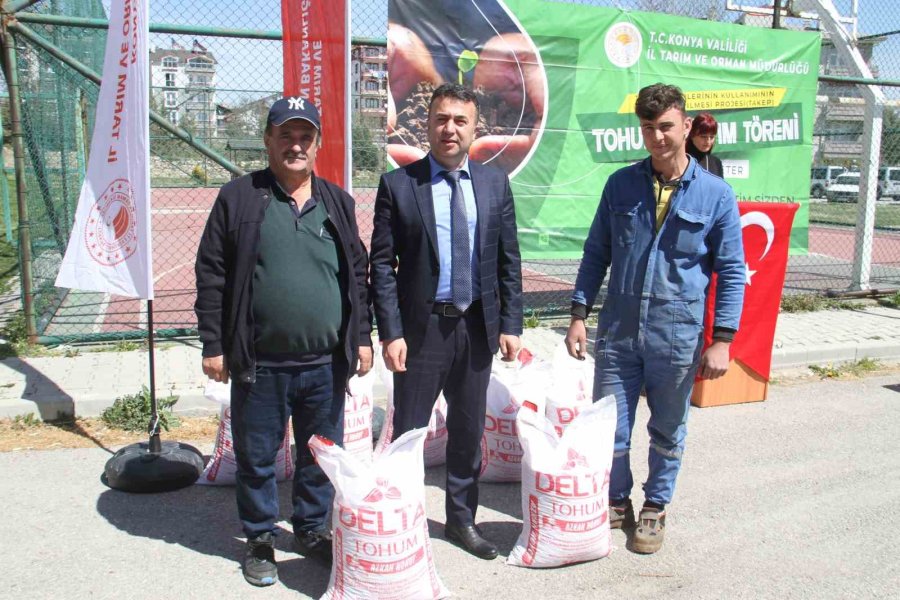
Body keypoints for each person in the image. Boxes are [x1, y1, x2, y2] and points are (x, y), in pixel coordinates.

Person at [194, 96, 373, 586]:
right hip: (261, 361)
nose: (296, 145)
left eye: (305, 137)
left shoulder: (337, 200)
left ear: (318, 144)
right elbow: (211, 273)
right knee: (256, 455)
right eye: (286, 135)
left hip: (325, 363)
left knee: (320, 452)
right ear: (269, 140)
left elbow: (357, 274)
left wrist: (362, 337)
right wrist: (214, 344)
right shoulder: (240, 197)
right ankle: (258, 538)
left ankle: (311, 528)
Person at [564, 84, 744, 554]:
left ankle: (655, 506)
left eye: (666, 126)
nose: (657, 137)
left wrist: (722, 339)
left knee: (667, 427)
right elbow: (596, 252)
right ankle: (616, 499)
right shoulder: (621, 185)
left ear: (686, 126)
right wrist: (579, 313)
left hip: (676, 334)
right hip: (620, 331)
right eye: (648, 128)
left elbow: (730, 270)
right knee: (612, 427)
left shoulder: (717, 195)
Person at [370, 82, 524, 560]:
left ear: (476, 128)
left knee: (467, 431)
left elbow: (508, 260)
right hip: (421, 333)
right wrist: (390, 331)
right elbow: (381, 265)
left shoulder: (495, 183)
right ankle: (404, 521)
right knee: (409, 435)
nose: (450, 129)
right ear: (428, 125)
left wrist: (511, 324)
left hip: (476, 329)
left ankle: (462, 521)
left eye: (460, 120)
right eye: (442, 119)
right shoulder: (399, 185)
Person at [686, 112, 724, 178]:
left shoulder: (716, 162)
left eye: (712, 137)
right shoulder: (682, 160)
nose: (708, 141)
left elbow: (720, 187)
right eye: (703, 136)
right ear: (692, 135)